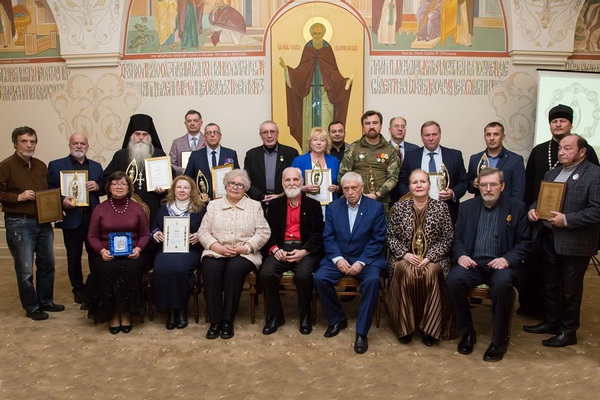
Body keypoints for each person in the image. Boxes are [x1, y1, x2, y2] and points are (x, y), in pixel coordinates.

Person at [520, 104, 599, 317]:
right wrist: (532, 209)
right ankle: (551, 320)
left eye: (567, 149)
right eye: (561, 148)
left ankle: (567, 329)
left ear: (582, 152)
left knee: (570, 288)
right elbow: (538, 195)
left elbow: (597, 210)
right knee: (550, 282)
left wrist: (568, 220)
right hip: (549, 235)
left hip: (574, 239)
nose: (562, 152)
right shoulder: (553, 172)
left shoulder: (594, 172)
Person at [446, 168, 530, 362]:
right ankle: (467, 332)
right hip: (473, 263)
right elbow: (456, 238)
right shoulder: (467, 207)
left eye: (493, 184)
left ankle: (499, 340)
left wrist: (507, 259)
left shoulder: (516, 207)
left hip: (500, 264)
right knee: (453, 280)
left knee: (502, 285)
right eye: (483, 185)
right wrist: (461, 256)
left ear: (502, 186)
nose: (488, 189)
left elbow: (524, 242)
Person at [313, 172, 387, 354]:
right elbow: (328, 237)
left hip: (367, 258)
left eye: (354, 188)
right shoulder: (333, 207)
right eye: (346, 188)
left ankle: (362, 332)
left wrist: (361, 262)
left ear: (362, 188)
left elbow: (378, 239)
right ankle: (337, 318)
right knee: (320, 278)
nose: (350, 192)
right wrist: (337, 260)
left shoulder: (376, 208)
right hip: (340, 256)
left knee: (372, 282)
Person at [197, 169, 270, 339]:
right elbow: (203, 232)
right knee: (211, 271)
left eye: (240, 185)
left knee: (233, 270)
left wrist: (245, 248)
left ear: (246, 188)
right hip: (216, 251)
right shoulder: (213, 205)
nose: (235, 187)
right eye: (232, 183)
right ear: (226, 185)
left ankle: (227, 320)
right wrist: (216, 247)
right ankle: (215, 321)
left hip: (244, 253)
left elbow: (264, 232)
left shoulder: (254, 206)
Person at [0, 126, 64, 320]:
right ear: (15, 143)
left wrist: (57, 206)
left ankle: (46, 301)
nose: (29, 145)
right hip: (20, 223)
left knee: (48, 264)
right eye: (24, 141)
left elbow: (48, 193)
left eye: (32, 141)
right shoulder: (5, 166)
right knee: (26, 268)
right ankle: (32, 306)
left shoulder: (40, 165)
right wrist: (18, 197)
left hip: (43, 222)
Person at [386, 169, 454, 346]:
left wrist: (429, 257)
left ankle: (430, 329)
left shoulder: (441, 207)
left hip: (434, 259)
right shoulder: (399, 208)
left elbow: (448, 238)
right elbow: (390, 237)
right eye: (415, 182)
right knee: (406, 272)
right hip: (404, 258)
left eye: (423, 181)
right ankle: (405, 327)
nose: (419, 185)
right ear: (409, 186)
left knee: (430, 272)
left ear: (429, 185)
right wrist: (405, 255)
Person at [259, 167, 323, 335]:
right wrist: (274, 248)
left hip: (303, 249)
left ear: (302, 182)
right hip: (281, 248)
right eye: (288, 180)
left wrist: (304, 251)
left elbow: (318, 234)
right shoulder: (274, 205)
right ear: (282, 183)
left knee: (303, 276)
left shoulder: (313, 205)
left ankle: (305, 316)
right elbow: (267, 232)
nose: (292, 183)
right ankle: (275, 316)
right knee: (266, 273)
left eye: (295, 180)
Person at [86, 171, 150, 334]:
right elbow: (92, 236)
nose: (119, 187)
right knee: (108, 269)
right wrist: (101, 251)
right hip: (107, 254)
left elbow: (144, 234)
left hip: (132, 254)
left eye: (123, 183)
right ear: (108, 187)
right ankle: (114, 313)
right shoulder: (100, 209)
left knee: (128, 269)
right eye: (115, 183)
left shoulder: (137, 208)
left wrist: (138, 249)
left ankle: (126, 312)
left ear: (129, 188)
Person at [48, 132, 103, 304]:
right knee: (74, 257)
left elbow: (103, 190)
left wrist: (98, 186)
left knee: (95, 255)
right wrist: (61, 201)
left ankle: (94, 286)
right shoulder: (56, 165)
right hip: (71, 219)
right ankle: (78, 289)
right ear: (69, 145)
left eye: (82, 143)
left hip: (92, 218)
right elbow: (49, 191)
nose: (79, 146)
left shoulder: (96, 166)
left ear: (87, 146)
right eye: (75, 143)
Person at [279, 22, 353, 147]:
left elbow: (333, 71)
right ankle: (308, 154)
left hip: (326, 93)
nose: (317, 36)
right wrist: (287, 69)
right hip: (309, 93)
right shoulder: (308, 48)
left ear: (324, 34)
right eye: (315, 33)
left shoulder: (327, 49)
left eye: (319, 33)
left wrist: (344, 82)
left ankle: (327, 153)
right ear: (311, 34)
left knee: (325, 123)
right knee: (308, 126)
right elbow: (302, 71)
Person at [151, 175, 206, 330]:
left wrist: (199, 236)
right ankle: (169, 311)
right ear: (173, 190)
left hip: (190, 250)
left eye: (186, 187)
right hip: (166, 249)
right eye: (179, 187)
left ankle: (180, 309)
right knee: (162, 269)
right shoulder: (164, 207)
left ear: (192, 190)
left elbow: (208, 229)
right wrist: (156, 234)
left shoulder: (200, 208)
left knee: (180, 270)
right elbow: (154, 227)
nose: (182, 190)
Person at [103, 114, 170, 223]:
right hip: (123, 204)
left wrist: (164, 190)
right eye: (137, 134)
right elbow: (107, 178)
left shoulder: (159, 155)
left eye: (145, 134)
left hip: (152, 204)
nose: (141, 137)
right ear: (131, 136)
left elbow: (170, 182)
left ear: (149, 137)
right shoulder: (120, 155)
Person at [399, 120, 467, 223]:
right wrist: (411, 195)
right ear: (421, 137)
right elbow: (402, 181)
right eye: (427, 135)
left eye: (434, 134)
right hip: (416, 211)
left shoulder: (454, 155)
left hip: (447, 211)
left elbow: (463, 181)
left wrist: (453, 193)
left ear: (440, 135)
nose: (431, 138)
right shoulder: (411, 156)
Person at [339, 110, 400, 206]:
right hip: (355, 202)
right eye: (367, 123)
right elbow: (343, 174)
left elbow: (393, 178)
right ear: (363, 127)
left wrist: (377, 194)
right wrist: (355, 194)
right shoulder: (353, 148)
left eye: (375, 123)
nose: (371, 127)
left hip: (381, 202)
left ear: (380, 125)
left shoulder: (391, 150)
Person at [244, 120, 299, 205]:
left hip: (284, 201)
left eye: (272, 132)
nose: (269, 136)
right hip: (258, 202)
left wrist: (280, 196)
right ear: (260, 135)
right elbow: (246, 181)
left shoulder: (291, 153)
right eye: (265, 132)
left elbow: (296, 180)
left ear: (277, 134)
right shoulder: (251, 155)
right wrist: (261, 196)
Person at [467, 122, 525, 201]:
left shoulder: (515, 160)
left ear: (503, 137)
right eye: (488, 134)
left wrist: (513, 210)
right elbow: (469, 187)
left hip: (506, 208)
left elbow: (518, 192)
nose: (492, 138)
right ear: (484, 137)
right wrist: (473, 184)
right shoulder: (475, 159)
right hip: (480, 209)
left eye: (496, 134)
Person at [184, 122, 239, 199]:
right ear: (204, 137)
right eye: (209, 133)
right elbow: (187, 178)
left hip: (226, 199)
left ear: (220, 136)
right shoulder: (195, 155)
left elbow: (237, 177)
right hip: (203, 201)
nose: (212, 135)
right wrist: (196, 196)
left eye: (215, 132)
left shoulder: (231, 153)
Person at [291, 127, 340, 214]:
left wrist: (336, 188)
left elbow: (341, 183)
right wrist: (304, 188)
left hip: (330, 208)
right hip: (306, 207)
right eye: (315, 140)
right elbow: (291, 185)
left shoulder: (334, 161)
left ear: (327, 143)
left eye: (322, 140)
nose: (318, 143)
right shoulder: (299, 161)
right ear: (310, 142)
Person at [388, 116, 419, 203]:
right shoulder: (383, 149)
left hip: (410, 195)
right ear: (389, 130)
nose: (400, 129)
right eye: (396, 126)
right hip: (388, 195)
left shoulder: (415, 150)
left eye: (403, 126)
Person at [169, 110, 205, 176]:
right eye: (189, 121)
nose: (192, 123)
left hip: (204, 181)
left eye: (195, 121)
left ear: (201, 123)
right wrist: (184, 171)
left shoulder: (208, 141)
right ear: (185, 123)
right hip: (183, 180)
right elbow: (171, 164)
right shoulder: (177, 143)